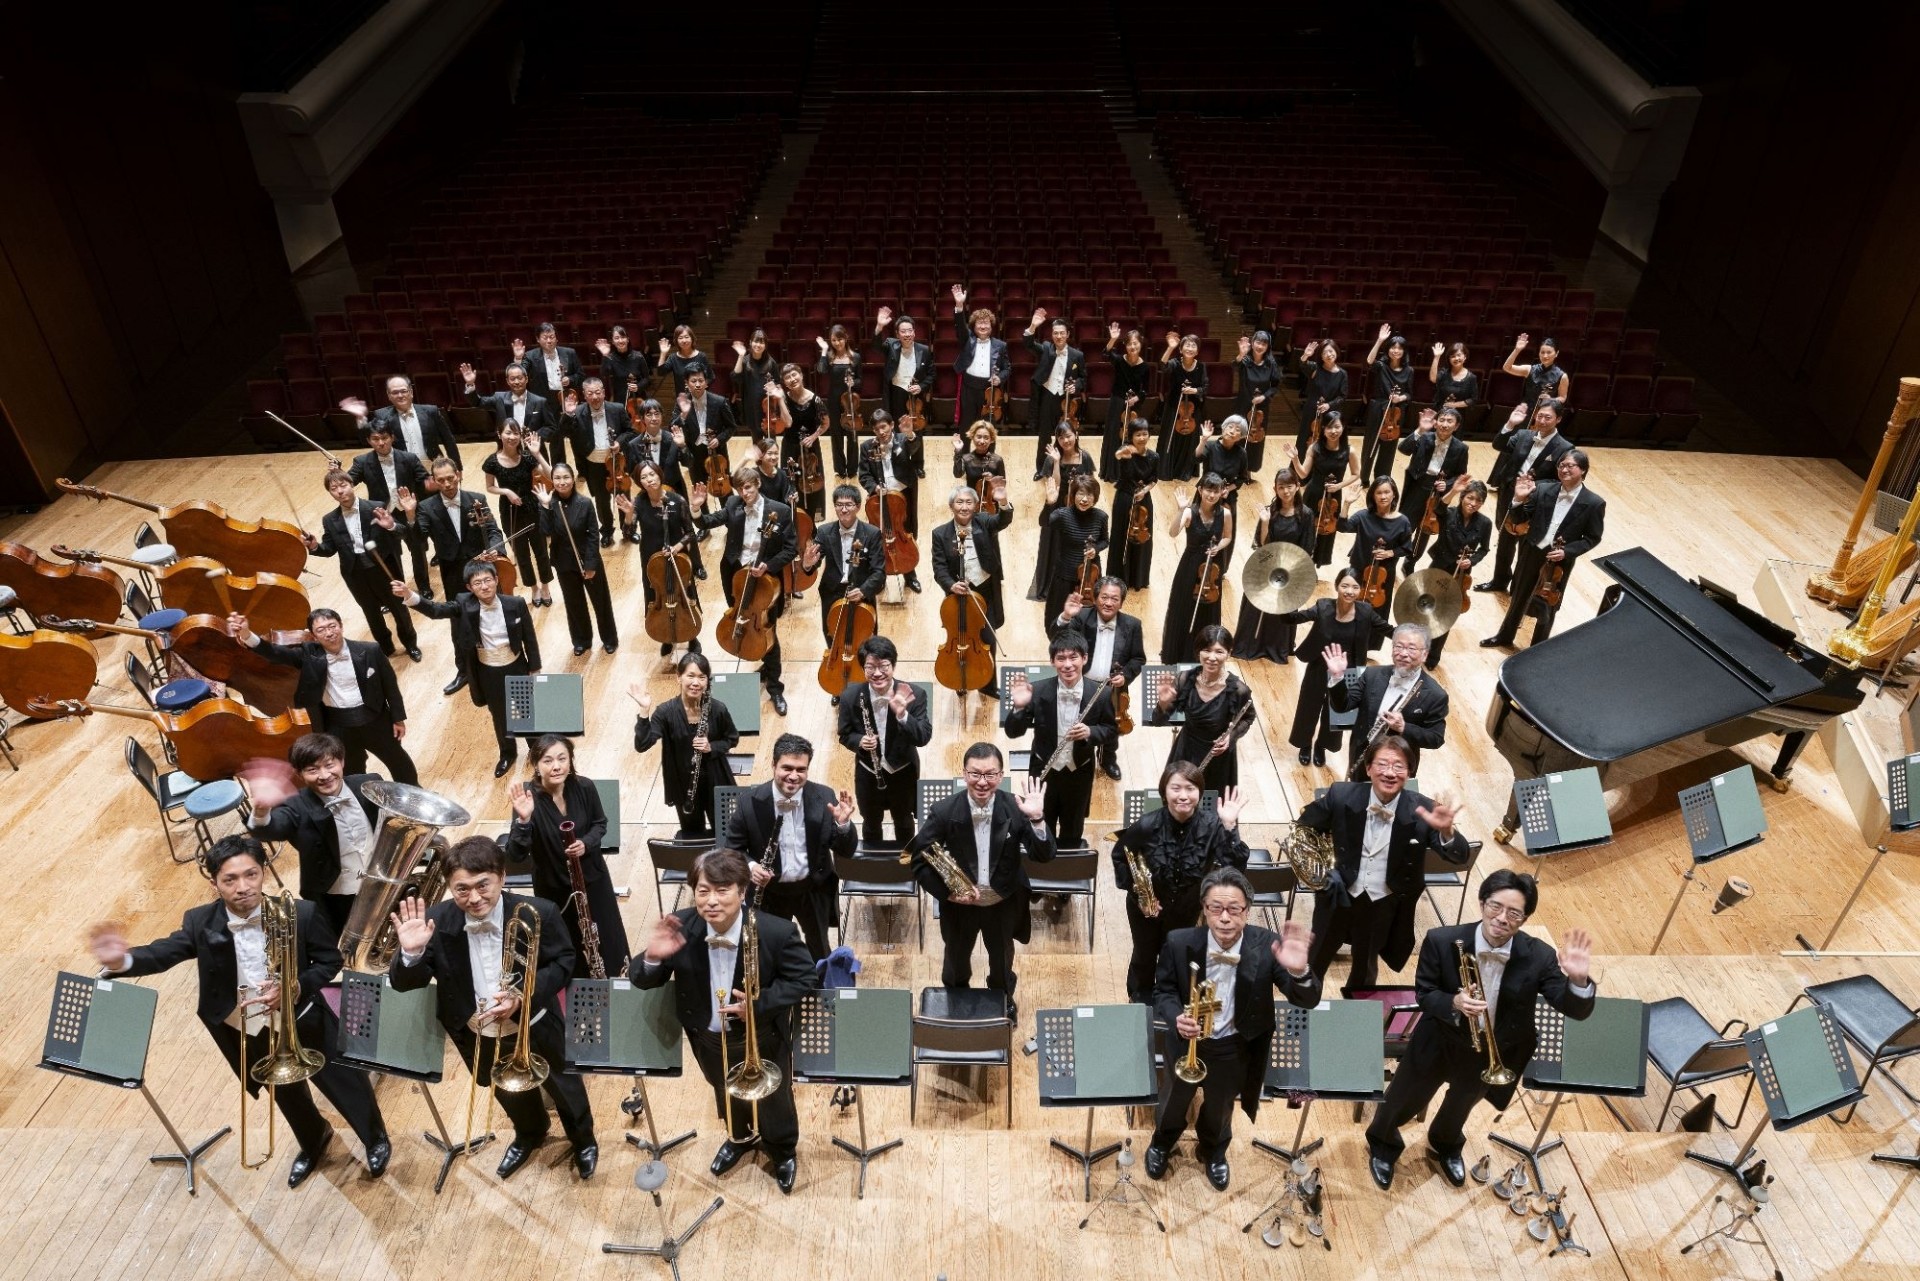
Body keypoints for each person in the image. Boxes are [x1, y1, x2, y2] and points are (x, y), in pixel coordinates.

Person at [88, 835, 390, 1187]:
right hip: (249, 1027)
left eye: (251, 875)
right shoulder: (200, 922)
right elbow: (164, 952)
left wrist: (294, 988)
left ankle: (375, 1139)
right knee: (286, 1094)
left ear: (263, 873)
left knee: (345, 1084)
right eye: (230, 879)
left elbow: (329, 961)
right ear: (214, 883)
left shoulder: (301, 913)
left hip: (304, 1017)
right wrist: (123, 960)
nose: (243, 887)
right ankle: (314, 1140)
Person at [1365, 870, 1595, 1191]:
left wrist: (1579, 981)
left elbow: (1575, 1009)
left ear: (1525, 918)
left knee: (1461, 1106)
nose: (1501, 918)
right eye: (1495, 906)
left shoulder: (1539, 956)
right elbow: (1425, 993)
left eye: (1514, 913)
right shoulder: (1441, 940)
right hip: (1439, 1039)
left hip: (1490, 1051)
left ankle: (1445, 1144)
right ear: (1482, 902)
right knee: (1402, 1098)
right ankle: (1383, 1144)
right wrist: (1454, 1001)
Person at [389, 836, 598, 1181]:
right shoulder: (435, 922)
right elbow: (404, 983)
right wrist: (411, 954)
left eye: (482, 885)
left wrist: (522, 994)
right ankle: (530, 1132)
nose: (473, 898)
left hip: (535, 1022)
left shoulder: (539, 912)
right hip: (477, 1030)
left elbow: (564, 961)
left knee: (565, 1086)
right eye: (462, 889)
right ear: (450, 887)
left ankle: (583, 1140)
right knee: (506, 1089)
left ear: (501, 877)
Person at [630, 848, 817, 1192]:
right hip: (708, 1037)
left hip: (761, 1035)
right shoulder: (681, 927)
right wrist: (653, 957)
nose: (711, 900)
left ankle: (782, 1149)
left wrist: (758, 1005)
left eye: (722, 890)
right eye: (703, 891)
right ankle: (739, 1137)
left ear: (742, 891)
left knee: (775, 1099)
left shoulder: (776, 932)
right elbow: (641, 979)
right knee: (725, 1089)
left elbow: (805, 978)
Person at [1145, 869, 1319, 1190]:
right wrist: (1176, 1017)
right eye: (1216, 908)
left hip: (1234, 1045)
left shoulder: (1267, 945)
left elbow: (1306, 999)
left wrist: (1300, 971)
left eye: (1234, 909)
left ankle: (1213, 1150)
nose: (1224, 918)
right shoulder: (1179, 942)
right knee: (1173, 1099)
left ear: (1247, 911)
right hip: (1187, 1042)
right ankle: (1162, 1142)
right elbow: (1163, 991)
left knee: (1221, 1106)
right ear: (1204, 908)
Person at [1295, 735, 1469, 997]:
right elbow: (1302, 829)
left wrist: (1447, 832)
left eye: (1399, 766)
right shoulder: (1341, 795)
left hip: (1381, 906)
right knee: (1314, 962)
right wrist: (1323, 873)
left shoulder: (1424, 809)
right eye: (1382, 764)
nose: (1390, 772)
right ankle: (1302, 1010)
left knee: (1365, 973)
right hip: (1337, 897)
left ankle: (1358, 1020)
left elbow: (1460, 857)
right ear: (1368, 768)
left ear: (1409, 772)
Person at [910, 743, 1053, 1010]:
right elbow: (918, 861)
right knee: (955, 959)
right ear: (964, 774)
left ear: (1001, 775)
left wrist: (1037, 819)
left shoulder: (1016, 807)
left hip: (1003, 901)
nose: (982, 782)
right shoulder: (943, 811)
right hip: (959, 905)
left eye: (990, 774)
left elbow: (1043, 855)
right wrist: (949, 894)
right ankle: (955, 1001)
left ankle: (1003, 1001)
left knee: (1002, 960)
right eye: (975, 773)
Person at [228, 609, 417, 785]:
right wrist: (246, 634)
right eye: (321, 630)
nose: (329, 633)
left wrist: (398, 718)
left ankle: (415, 795)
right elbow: (275, 653)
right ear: (313, 635)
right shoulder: (308, 655)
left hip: (374, 717)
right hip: (338, 724)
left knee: (398, 761)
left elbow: (390, 686)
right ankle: (362, 804)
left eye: (332, 626)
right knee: (350, 772)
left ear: (341, 626)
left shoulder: (371, 650)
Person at [1113, 765, 1253, 1001]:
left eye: (1190, 788)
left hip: (1186, 908)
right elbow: (1120, 856)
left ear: (1199, 792)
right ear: (1164, 791)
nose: (1183, 796)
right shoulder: (1146, 825)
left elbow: (1235, 866)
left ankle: (1168, 1000)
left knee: (1177, 955)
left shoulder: (1212, 826)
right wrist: (1140, 895)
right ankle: (1139, 999)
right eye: (1176, 788)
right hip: (1146, 909)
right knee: (1144, 955)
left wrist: (1229, 827)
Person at [394, 558, 541, 778]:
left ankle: (537, 750)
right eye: (478, 583)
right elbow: (435, 610)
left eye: (488, 580)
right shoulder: (463, 603)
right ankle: (508, 753)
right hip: (488, 671)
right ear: (469, 587)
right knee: (499, 715)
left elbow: (529, 638)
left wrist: (535, 668)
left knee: (526, 711)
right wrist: (409, 595)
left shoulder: (516, 603)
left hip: (516, 665)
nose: (484, 586)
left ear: (496, 580)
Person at [723, 733, 856, 962]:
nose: (794, 776)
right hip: (770, 893)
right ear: (773, 765)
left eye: (801, 769)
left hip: (812, 889)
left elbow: (846, 850)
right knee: (771, 952)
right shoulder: (748, 802)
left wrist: (843, 825)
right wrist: (751, 867)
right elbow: (731, 850)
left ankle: (819, 983)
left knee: (819, 948)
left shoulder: (824, 796)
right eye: (787, 768)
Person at [507, 734, 630, 979]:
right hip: (554, 887)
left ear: (570, 760)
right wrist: (523, 820)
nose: (556, 766)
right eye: (548, 760)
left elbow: (600, 824)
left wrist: (586, 843)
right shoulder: (527, 799)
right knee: (567, 943)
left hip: (592, 879)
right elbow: (515, 855)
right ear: (536, 765)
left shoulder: (584, 787)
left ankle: (616, 983)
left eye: (562, 759)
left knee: (607, 936)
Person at [241, 731, 382, 935]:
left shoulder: (369, 783)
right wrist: (262, 810)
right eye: (312, 770)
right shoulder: (295, 805)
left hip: (380, 878)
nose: (324, 775)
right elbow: (273, 828)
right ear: (300, 774)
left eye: (329, 765)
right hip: (336, 892)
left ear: (342, 762)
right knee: (343, 937)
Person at [693, 464, 797, 716]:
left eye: (748, 487)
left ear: (758, 484)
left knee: (767, 629)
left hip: (765, 582)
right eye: (740, 489)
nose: (744, 493)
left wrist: (768, 565)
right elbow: (708, 521)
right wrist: (696, 508)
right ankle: (761, 662)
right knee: (741, 617)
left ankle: (775, 687)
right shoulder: (733, 504)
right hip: (736, 577)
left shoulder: (780, 511)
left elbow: (791, 549)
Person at [400, 455, 510, 693]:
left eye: (450, 478)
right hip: (452, 574)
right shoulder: (426, 507)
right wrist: (410, 516)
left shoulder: (477, 499)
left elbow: (493, 530)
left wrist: (496, 549)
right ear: (434, 481)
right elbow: (418, 541)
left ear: (458, 475)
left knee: (493, 617)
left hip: (481, 569)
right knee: (458, 624)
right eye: (441, 480)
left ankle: (501, 662)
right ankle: (464, 671)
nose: (447, 484)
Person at [1482, 449, 1605, 650]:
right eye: (1561, 465)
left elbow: (1592, 537)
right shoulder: (1543, 489)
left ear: (1583, 470)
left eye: (1570, 465)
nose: (1564, 469)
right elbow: (1520, 519)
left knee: (1548, 604)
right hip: (1532, 550)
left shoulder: (1594, 503)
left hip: (1559, 561)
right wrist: (1518, 500)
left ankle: (1537, 648)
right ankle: (1505, 636)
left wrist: (1567, 551)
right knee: (1519, 595)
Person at [1006, 634, 1117, 849]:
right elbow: (1013, 732)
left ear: (1085, 658)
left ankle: (1068, 866)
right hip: (1043, 771)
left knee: (1073, 830)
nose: (1067, 665)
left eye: (1073, 657)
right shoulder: (1038, 691)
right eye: (1061, 658)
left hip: (1079, 772)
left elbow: (1111, 730)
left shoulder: (1102, 694)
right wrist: (1018, 708)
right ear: (1052, 661)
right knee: (1040, 825)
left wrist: (1090, 732)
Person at [308, 468, 420, 661]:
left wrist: (391, 526)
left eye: (343, 485)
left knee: (399, 610)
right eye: (334, 489)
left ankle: (411, 645)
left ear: (352, 485)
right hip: (356, 574)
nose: (340, 491)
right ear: (330, 493)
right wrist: (314, 546)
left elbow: (402, 533)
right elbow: (329, 549)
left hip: (383, 570)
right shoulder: (330, 519)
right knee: (372, 614)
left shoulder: (375, 507)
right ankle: (386, 649)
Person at [1278, 569, 1385, 767]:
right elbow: (1293, 618)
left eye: (1355, 587)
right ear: (1337, 586)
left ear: (1361, 590)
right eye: (1345, 586)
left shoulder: (1366, 611)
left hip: (1349, 670)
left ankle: (1322, 745)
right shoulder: (1323, 606)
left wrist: (1413, 636)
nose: (1350, 591)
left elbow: (1387, 629)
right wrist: (1282, 600)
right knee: (1309, 706)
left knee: (1339, 711)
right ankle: (1305, 744)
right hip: (1320, 664)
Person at [631, 653, 738, 838]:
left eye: (702, 677)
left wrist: (711, 747)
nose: (696, 682)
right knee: (692, 835)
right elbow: (642, 744)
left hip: (716, 782)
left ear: (707, 681)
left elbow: (731, 738)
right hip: (683, 785)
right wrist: (644, 711)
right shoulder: (665, 712)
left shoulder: (717, 709)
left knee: (724, 833)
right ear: (678, 677)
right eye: (691, 676)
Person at [836, 637, 930, 842]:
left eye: (883, 666)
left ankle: (905, 860)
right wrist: (859, 741)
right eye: (870, 667)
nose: (877, 673)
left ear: (893, 666)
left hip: (903, 773)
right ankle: (874, 862)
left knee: (904, 821)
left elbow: (923, 737)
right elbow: (844, 734)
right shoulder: (850, 696)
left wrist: (903, 715)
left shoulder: (915, 694)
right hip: (868, 774)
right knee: (870, 823)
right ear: (863, 668)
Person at [1327, 623, 1450, 778]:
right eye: (1398, 646)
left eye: (1411, 649)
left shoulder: (1435, 695)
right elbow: (1342, 706)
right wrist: (1337, 677)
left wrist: (1404, 727)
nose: (1403, 653)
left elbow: (1436, 738)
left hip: (1398, 768)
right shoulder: (1371, 675)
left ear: (1424, 654)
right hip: (1363, 756)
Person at [1054, 576, 1148, 780]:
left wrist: (1125, 676)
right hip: (1081, 685)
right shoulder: (1081, 617)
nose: (1108, 603)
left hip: (1112, 690)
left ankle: (1107, 760)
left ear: (1121, 602)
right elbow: (1059, 640)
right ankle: (1078, 759)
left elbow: (1138, 658)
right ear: (1095, 598)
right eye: (1104, 597)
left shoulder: (1132, 625)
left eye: (1114, 598)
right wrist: (1065, 617)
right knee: (1078, 725)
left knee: (1111, 728)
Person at [1480, 399, 1572, 595]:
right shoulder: (1523, 435)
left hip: (1535, 502)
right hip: (1510, 495)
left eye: (1548, 417)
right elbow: (1499, 444)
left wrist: (1534, 487)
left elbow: (1561, 481)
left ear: (1558, 419)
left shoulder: (1564, 448)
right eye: (1540, 416)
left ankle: (1518, 588)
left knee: (1525, 547)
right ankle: (1499, 581)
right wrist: (1511, 424)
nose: (1542, 421)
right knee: (1505, 541)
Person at [929, 484, 1012, 702]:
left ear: (975, 506)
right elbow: (939, 568)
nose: (964, 507)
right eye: (959, 502)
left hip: (985, 590)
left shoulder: (983, 521)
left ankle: (988, 685)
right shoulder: (940, 534)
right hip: (958, 596)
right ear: (951, 506)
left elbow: (1002, 520)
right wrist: (951, 586)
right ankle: (961, 679)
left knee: (987, 640)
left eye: (968, 502)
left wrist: (1003, 503)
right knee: (960, 640)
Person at [1232, 469, 1316, 664]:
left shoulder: (1306, 515)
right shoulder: (1270, 511)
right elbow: (1262, 545)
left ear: (1297, 486)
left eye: (1289, 486)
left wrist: (1288, 566)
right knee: (1256, 605)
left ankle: (1276, 647)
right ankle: (1250, 644)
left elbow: (1306, 548)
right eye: (1281, 487)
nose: (1286, 491)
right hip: (1267, 564)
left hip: (1291, 569)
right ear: (1275, 489)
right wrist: (1265, 523)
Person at [534, 463, 618, 657]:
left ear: (573, 479)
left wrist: (590, 565)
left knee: (601, 602)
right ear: (552, 480)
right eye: (557, 478)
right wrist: (545, 506)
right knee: (574, 603)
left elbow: (593, 536)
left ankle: (609, 639)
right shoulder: (549, 503)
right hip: (564, 562)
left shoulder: (585, 503)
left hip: (587, 559)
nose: (562, 482)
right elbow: (545, 531)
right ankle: (581, 640)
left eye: (566, 477)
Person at [1157, 625, 1254, 791]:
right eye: (1207, 650)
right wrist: (1163, 704)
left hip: (1218, 757)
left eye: (1219, 651)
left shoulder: (1238, 690)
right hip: (1186, 750)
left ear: (1229, 653)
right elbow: (1159, 719)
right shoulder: (1184, 679)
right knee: (1179, 797)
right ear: (1198, 652)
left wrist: (1231, 737)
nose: (1212, 657)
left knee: (1213, 801)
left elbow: (1248, 717)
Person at [347, 418, 433, 599]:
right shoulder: (362, 462)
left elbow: (425, 481)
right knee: (390, 556)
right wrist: (336, 473)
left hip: (408, 512)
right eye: (375, 439)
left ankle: (424, 586)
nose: (381, 443)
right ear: (369, 440)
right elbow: (347, 482)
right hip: (383, 516)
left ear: (392, 437)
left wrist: (433, 483)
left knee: (417, 551)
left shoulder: (409, 458)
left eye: (384, 437)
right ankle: (396, 592)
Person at [802, 484, 885, 654]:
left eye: (848, 505)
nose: (844, 509)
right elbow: (812, 564)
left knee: (867, 647)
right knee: (834, 644)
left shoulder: (872, 533)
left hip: (861, 595)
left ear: (858, 507)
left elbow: (879, 572)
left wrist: (863, 591)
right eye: (839, 505)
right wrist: (807, 564)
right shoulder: (824, 531)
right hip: (832, 594)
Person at [479, 419, 554, 609]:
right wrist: (506, 491)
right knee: (521, 554)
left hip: (532, 508)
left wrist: (537, 454)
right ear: (499, 434)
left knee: (541, 551)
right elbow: (490, 487)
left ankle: (545, 587)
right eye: (508, 433)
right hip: (510, 510)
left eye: (516, 433)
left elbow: (550, 475)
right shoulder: (492, 462)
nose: (512, 437)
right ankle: (534, 588)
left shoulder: (527, 458)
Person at [1160, 473, 1234, 663]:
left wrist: (1218, 547)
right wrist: (1180, 510)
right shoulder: (1189, 512)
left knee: (1208, 607)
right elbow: (1173, 532)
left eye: (1216, 491)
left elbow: (1227, 537)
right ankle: (1181, 652)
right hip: (1191, 565)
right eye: (1208, 490)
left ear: (1221, 492)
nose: (1212, 495)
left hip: (1212, 568)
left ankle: (1205, 651)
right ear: (1200, 490)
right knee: (1184, 606)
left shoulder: (1225, 513)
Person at [1422, 481, 1492, 669]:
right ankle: (1419, 646)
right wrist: (1453, 490)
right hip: (1439, 566)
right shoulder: (1449, 514)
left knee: (1447, 613)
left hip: (1461, 574)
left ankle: (1433, 656)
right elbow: (1438, 508)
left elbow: (1484, 549)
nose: (1473, 503)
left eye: (1478, 501)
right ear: (1462, 497)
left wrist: (1472, 560)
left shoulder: (1485, 523)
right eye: (1470, 498)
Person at [858, 410, 925, 592]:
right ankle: (879, 576)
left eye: (884, 427)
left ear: (892, 425)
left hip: (903, 495)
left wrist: (910, 434)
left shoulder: (904, 439)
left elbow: (915, 449)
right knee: (879, 536)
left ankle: (910, 574)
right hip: (880, 497)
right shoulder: (866, 447)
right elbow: (864, 475)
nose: (881, 432)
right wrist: (874, 488)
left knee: (907, 531)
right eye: (876, 429)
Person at [1028, 421, 1096, 601]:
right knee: (1055, 545)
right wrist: (1057, 462)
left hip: (1079, 506)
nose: (1066, 440)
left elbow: (1090, 485)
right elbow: (1055, 485)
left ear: (1076, 435)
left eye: (1068, 436)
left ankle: (1077, 585)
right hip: (1058, 505)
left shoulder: (1085, 457)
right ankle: (1053, 586)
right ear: (1057, 440)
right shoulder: (1052, 458)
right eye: (1061, 437)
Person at [1397, 407, 1471, 570]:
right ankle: (1393, 559)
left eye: (1449, 421)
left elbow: (1460, 474)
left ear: (1456, 426)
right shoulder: (1424, 437)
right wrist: (1420, 430)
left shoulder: (1461, 448)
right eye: (1442, 420)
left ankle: (1410, 562)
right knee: (1405, 524)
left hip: (1438, 492)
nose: (1445, 424)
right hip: (1418, 485)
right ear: (1435, 423)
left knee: (1426, 529)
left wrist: (1448, 484)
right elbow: (1403, 449)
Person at [343, 374, 462, 474]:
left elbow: (448, 440)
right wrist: (360, 418)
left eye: (403, 391)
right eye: (395, 392)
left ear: (411, 392)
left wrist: (457, 468)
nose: (400, 395)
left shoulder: (431, 411)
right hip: (403, 470)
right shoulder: (381, 415)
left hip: (433, 466)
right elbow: (367, 440)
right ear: (389, 396)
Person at [560, 377, 630, 538]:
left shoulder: (617, 409)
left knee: (623, 497)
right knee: (601, 500)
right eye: (590, 393)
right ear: (584, 395)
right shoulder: (577, 412)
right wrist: (568, 414)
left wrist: (619, 443)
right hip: (594, 465)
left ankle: (628, 529)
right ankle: (606, 531)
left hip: (616, 463)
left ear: (604, 392)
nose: (595, 397)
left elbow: (629, 431)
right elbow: (564, 433)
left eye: (598, 392)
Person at [1038, 474, 1109, 626]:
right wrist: (1049, 503)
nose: (1084, 499)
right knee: (1059, 615)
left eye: (1089, 495)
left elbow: (1105, 541)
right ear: (1073, 495)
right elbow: (1044, 522)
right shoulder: (1062, 515)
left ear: (1095, 497)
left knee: (1088, 619)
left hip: (1090, 575)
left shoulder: (1101, 517)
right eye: (1080, 494)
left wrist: (1095, 549)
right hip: (1065, 574)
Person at [1288, 414, 1358, 567]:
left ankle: (1315, 562)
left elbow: (1356, 474)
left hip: (1334, 497)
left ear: (1343, 427)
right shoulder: (1315, 448)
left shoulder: (1349, 451)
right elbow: (1303, 474)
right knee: (1306, 528)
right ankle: (1299, 563)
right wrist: (1295, 459)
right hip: (1314, 493)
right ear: (1323, 428)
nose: (1333, 431)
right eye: (1329, 427)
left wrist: (1339, 486)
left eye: (1337, 427)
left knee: (1326, 529)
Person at [1023, 311, 1088, 472]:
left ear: (1068, 334)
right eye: (1055, 333)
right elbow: (1028, 344)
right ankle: (1042, 470)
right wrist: (1033, 326)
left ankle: (1067, 468)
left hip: (1065, 400)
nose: (1059, 336)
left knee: (1067, 435)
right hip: (1047, 396)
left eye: (1062, 333)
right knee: (1044, 436)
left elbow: (1084, 378)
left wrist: (1076, 386)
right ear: (1052, 335)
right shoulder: (1046, 348)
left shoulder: (1077, 355)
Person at [1341, 475, 1413, 616]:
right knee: (1350, 610)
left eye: (1387, 492)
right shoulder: (1363, 516)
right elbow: (1343, 527)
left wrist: (1390, 553)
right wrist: (1346, 504)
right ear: (1373, 496)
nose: (1383, 496)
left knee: (1378, 612)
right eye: (1379, 493)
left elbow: (1407, 548)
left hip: (1383, 576)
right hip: (1360, 568)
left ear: (1394, 494)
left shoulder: (1402, 522)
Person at [769, 361, 828, 521]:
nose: (792, 379)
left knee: (812, 482)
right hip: (790, 447)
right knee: (791, 483)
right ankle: (793, 519)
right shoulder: (783, 399)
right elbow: (788, 423)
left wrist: (813, 436)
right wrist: (780, 399)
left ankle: (811, 521)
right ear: (784, 382)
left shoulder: (815, 400)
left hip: (811, 449)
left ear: (801, 376)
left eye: (794, 374)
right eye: (787, 377)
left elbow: (825, 423)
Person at [1105, 418, 1158, 588]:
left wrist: (1144, 491)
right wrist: (1125, 453)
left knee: (1142, 538)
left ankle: (1138, 578)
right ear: (1131, 436)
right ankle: (1118, 576)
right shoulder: (1126, 450)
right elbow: (1117, 454)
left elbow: (1154, 480)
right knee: (1121, 535)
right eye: (1138, 435)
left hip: (1144, 500)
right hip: (1125, 498)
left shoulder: (1154, 456)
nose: (1142, 438)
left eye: (1144, 434)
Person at [462, 360, 557, 453]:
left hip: (535, 451)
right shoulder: (499, 398)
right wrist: (470, 384)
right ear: (507, 381)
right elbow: (477, 402)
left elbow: (551, 426)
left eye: (520, 378)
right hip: (506, 452)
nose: (516, 382)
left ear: (526, 379)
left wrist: (536, 436)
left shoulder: (540, 401)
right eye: (512, 379)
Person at [670, 368, 737, 499]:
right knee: (699, 491)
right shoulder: (681, 403)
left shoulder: (719, 402)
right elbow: (673, 427)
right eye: (693, 381)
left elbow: (731, 427)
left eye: (701, 380)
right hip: (694, 453)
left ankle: (729, 512)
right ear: (686, 383)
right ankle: (703, 512)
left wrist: (719, 439)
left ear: (706, 383)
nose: (697, 384)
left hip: (717, 454)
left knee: (724, 490)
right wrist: (683, 414)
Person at [951, 287, 1012, 430]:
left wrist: (999, 378)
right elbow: (960, 326)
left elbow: (1007, 368)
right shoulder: (967, 340)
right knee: (967, 426)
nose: (983, 326)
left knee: (988, 428)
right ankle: (964, 446)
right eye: (979, 323)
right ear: (974, 326)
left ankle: (988, 446)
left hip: (989, 390)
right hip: (968, 387)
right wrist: (959, 305)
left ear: (991, 326)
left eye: (986, 323)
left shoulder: (1001, 345)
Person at [1360, 325, 1414, 479]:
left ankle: (1382, 478)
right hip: (1378, 407)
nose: (1396, 351)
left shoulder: (1409, 371)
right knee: (1370, 443)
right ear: (1388, 349)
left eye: (1399, 348)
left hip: (1395, 412)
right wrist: (1379, 340)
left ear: (1404, 351)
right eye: (1392, 347)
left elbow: (1409, 394)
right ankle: (1364, 478)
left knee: (1389, 447)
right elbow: (1369, 361)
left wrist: (1400, 398)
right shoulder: (1381, 366)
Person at [1101, 324, 1152, 482]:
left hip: (1133, 406)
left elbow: (1146, 390)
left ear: (1140, 344)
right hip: (1117, 402)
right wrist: (1113, 339)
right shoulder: (1119, 360)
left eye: (1135, 343)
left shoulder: (1145, 367)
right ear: (1126, 346)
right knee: (1113, 435)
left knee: (1132, 437)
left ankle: (1128, 473)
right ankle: (1112, 472)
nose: (1132, 347)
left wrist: (1137, 398)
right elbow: (1105, 354)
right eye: (1129, 344)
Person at [1158, 331, 1211, 481]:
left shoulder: (1201, 366)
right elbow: (1162, 366)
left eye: (1193, 346)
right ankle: (1167, 470)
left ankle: (1186, 470)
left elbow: (1205, 388)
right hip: (1174, 407)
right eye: (1187, 345)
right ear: (1181, 349)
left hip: (1192, 410)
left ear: (1197, 351)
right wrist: (1170, 348)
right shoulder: (1175, 363)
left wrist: (1194, 390)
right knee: (1170, 437)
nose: (1190, 348)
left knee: (1189, 439)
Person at [871, 307, 935, 426]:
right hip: (896, 394)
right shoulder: (891, 345)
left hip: (916, 398)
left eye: (910, 331)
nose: (907, 334)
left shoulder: (924, 350)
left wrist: (921, 386)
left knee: (916, 429)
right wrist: (879, 326)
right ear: (897, 334)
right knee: (897, 429)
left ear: (914, 332)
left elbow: (931, 375)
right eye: (903, 331)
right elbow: (876, 347)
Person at [815, 323, 863, 478]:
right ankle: (840, 469)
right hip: (834, 401)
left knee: (852, 435)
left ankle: (852, 469)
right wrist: (823, 351)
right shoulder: (829, 357)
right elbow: (821, 370)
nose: (837, 343)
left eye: (840, 339)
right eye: (834, 340)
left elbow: (861, 380)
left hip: (851, 402)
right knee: (836, 435)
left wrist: (853, 383)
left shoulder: (855, 357)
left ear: (846, 338)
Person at [1233, 330, 1283, 472]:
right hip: (1244, 405)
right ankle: (1236, 467)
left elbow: (1275, 386)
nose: (1260, 346)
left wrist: (1264, 396)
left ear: (1268, 347)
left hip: (1261, 408)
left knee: (1256, 438)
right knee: (1240, 435)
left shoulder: (1271, 364)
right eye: (1258, 342)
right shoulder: (1245, 360)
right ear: (1253, 343)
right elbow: (1234, 366)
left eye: (1264, 344)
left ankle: (1250, 468)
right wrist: (1241, 354)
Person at [514, 323, 587, 410]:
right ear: (538, 339)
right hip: (542, 402)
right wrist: (518, 359)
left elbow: (581, 376)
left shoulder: (569, 353)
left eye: (552, 337)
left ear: (556, 338)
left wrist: (569, 379)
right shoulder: (530, 356)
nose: (549, 341)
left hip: (566, 401)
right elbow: (521, 375)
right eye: (545, 338)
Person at [1295, 339, 1349, 449]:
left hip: (1330, 413)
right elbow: (1302, 364)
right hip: (1311, 410)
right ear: (1321, 356)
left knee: (1326, 442)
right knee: (1305, 437)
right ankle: (1299, 460)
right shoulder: (1315, 368)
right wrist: (1305, 355)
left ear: (1336, 351)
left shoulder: (1342, 374)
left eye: (1331, 351)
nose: (1328, 355)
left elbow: (1342, 396)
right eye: (1324, 353)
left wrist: (1329, 405)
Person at [728, 330, 779, 437]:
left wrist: (774, 388)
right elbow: (735, 377)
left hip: (768, 408)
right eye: (756, 341)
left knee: (771, 440)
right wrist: (741, 356)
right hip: (751, 406)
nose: (758, 345)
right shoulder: (745, 361)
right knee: (756, 439)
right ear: (750, 342)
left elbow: (778, 384)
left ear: (765, 345)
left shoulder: (771, 363)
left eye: (761, 342)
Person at [1502, 331, 1569, 406]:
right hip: (1526, 409)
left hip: (1545, 410)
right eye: (1542, 352)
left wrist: (1550, 400)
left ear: (1556, 353)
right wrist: (1517, 350)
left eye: (1549, 352)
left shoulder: (1562, 376)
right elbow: (1506, 367)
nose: (1545, 356)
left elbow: (1562, 397)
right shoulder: (1529, 369)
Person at [951, 419, 1008, 503]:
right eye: (978, 437)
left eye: (986, 438)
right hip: (972, 504)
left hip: (991, 505)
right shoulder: (966, 458)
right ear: (972, 437)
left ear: (991, 439)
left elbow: (1002, 485)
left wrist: (992, 478)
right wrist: (958, 451)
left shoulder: (997, 460)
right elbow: (957, 474)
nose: (982, 441)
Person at [1195, 416, 1250, 497]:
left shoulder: (1241, 453)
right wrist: (1203, 440)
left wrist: (1228, 489)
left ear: (1240, 436)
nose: (1232, 431)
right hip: (1206, 491)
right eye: (1230, 427)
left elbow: (1242, 478)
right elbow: (1196, 459)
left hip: (1225, 494)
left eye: (1237, 430)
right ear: (1223, 428)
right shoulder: (1210, 446)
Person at [595, 325, 650, 403]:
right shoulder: (611, 358)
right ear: (613, 342)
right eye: (617, 338)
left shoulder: (638, 356)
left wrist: (638, 386)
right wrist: (605, 355)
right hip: (620, 400)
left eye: (623, 337)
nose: (620, 341)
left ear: (628, 339)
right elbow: (604, 375)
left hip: (639, 398)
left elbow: (646, 379)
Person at [656, 324, 714, 395]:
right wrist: (663, 353)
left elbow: (711, 377)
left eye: (687, 337)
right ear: (676, 341)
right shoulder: (673, 358)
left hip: (699, 396)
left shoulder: (701, 356)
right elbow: (660, 372)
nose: (684, 340)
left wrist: (699, 386)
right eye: (680, 338)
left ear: (692, 338)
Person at [1428, 341, 1478, 416]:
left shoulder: (1471, 377)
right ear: (1449, 359)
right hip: (1440, 412)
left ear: (1465, 357)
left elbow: (1473, 399)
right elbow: (1433, 379)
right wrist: (1436, 357)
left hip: (1459, 414)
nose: (1456, 358)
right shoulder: (1444, 373)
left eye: (1459, 355)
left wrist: (1454, 405)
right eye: (1453, 356)